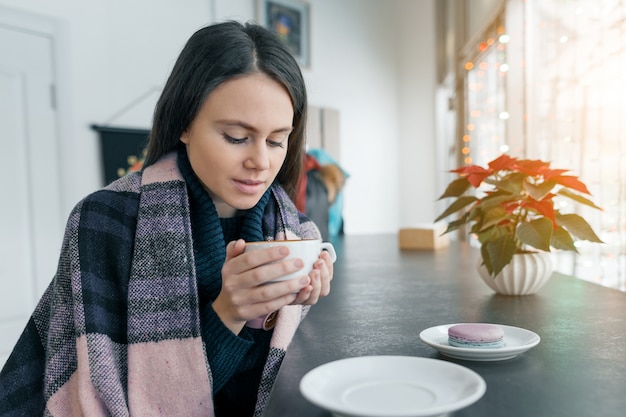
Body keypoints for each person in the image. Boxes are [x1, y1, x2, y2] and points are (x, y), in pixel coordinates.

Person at [0, 20, 334, 417]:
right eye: (235, 136)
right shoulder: (102, 222)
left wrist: (284, 309)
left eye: (277, 140)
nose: (260, 162)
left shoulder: (295, 230)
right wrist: (228, 312)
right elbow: (102, 399)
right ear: (184, 124)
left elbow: (258, 394)